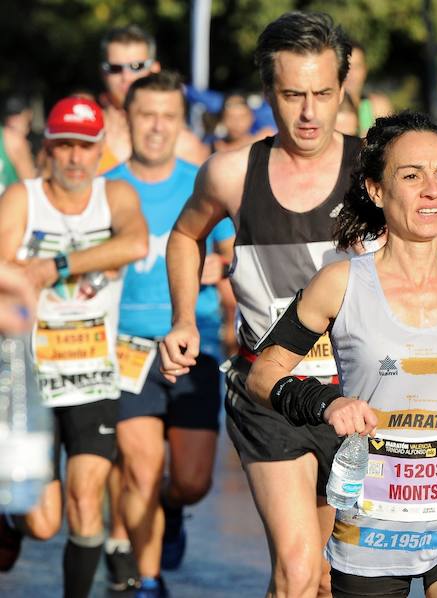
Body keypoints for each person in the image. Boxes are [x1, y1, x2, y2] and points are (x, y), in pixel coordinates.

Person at [246, 110, 437, 598]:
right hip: (371, 528)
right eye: (411, 175)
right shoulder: (340, 284)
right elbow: (263, 373)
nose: (431, 189)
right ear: (377, 191)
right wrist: (326, 403)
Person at [157, 11, 362, 597]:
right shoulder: (229, 173)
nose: (308, 112)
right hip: (267, 391)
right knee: (297, 572)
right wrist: (181, 318)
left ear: (341, 90)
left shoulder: (375, 170)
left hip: (356, 397)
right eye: (292, 94)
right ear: (269, 91)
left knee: (329, 578)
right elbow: (184, 236)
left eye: (323, 93)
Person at [0, 97, 148, 597]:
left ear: (100, 149)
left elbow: (134, 244)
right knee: (43, 523)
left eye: (85, 147)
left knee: (87, 499)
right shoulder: (24, 198)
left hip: (92, 374)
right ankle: (8, 516)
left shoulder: (116, 195)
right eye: (64, 145)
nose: (74, 158)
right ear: (48, 148)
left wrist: (55, 267)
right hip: (30, 377)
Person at [99, 71, 236, 597]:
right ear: (126, 118)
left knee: (192, 481)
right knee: (139, 467)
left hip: (193, 344)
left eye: (168, 117)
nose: (156, 127)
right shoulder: (105, 185)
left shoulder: (200, 182)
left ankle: (171, 510)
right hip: (127, 349)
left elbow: (229, 256)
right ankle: (148, 580)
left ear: (181, 122)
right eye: (145, 115)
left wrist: (215, 271)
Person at [97, 25, 209, 172]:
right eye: (115, 68)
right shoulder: (84, 134)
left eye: (136, 66)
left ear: (154, 69)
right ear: (102, 72)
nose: (126, 76)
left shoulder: (184, 145)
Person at [345, 39, 394, 136]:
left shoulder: (378, 108)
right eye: (347, 67)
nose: (351, 74)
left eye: (357, 67)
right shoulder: (325, 109)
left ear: (365, 70)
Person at [0, 100, 36, 194]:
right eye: (10, 115)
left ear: (29, 115)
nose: (13, 120)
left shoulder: (14, 142)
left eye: (17, 115)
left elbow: (31, 189)